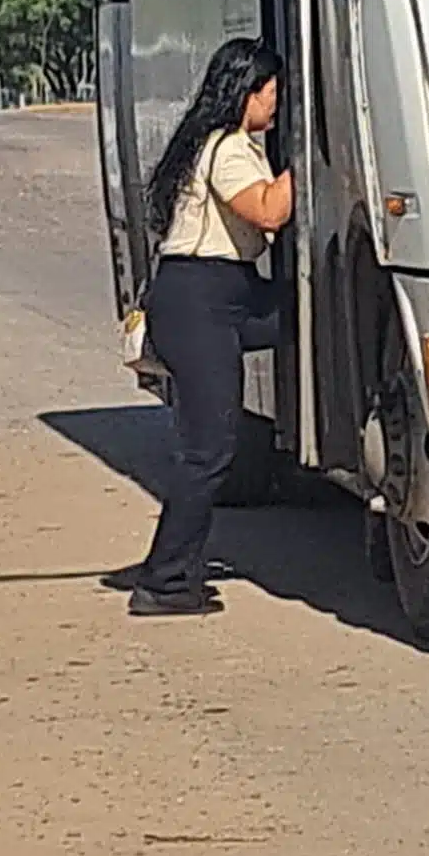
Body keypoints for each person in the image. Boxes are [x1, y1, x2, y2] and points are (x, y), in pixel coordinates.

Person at [108, 39, 293, 618]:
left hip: (219, 295)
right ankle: (163, 583)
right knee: (210, 452)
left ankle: (178, 569)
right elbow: (267, 211)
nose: (277, 104)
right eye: (272, 93)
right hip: (201, 302)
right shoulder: (230, 147)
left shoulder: (215, 142)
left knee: (305, 318)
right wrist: (307, 157)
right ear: (247, 94)